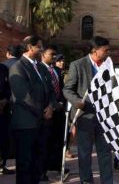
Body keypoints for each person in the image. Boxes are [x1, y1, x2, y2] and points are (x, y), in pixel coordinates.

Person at [63, 36, 113, 184]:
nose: (108, 53)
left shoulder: (108, 65)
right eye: (105, 50)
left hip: (104, 116)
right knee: (85, 153)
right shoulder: (77, 65)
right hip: (85, 116)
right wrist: (77, 101)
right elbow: (67, 90)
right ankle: (86, 180)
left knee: (105, 152)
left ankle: (107, 181)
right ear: (94, 50)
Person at [9, 35, 56, 184]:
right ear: (30, 47)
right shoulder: (18, 67)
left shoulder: (41, 67)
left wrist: (51, 106)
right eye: (39, 46)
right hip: (26, 124)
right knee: (25, 165)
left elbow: (51, 90)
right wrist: (43, 112)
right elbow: (23, 96)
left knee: (38, 163)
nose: (41, 49)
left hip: (41, 124)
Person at [40, 45, 70, 180]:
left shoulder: (57, 70)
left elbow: (61, 89)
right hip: (46, 111)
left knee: (58, 140)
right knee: (45, 141)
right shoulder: (39, 70)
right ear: (43, 55)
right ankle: (42, 170)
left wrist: (62, 103)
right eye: (51, 54)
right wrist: (51, 106)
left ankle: (57, 165)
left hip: (59, 111)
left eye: (55, 54)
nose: (54, 57)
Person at [0, 63, 13, 175]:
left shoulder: (3, 69)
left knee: (4, 139)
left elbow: (9, 88)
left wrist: (5, 100)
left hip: (3, 110)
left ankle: (2, 165)